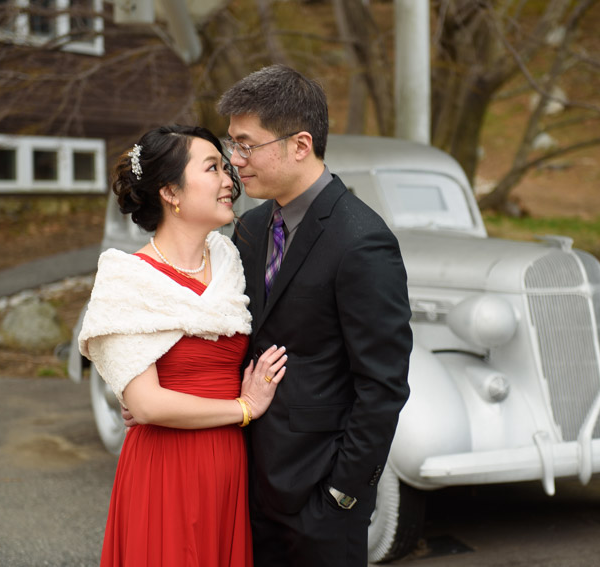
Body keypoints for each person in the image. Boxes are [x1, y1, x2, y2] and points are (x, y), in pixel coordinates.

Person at [218, 65, 413, 566]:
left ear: (300, 145)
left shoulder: (361, 239)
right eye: (232, 144)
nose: (235, 160)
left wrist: (345, 493)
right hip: (247, 485)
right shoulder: (252, 228)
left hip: (321, 500)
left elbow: (383, 385)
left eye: (247, 144)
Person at [78, 124, 287, 567]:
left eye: (225, 167)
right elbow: (148, 405)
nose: (230, 179)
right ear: (170, 191)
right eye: (213, 168)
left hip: (229, 466)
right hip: (165, 467)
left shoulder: (232, 259)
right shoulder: (126, 279)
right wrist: (245, 408)